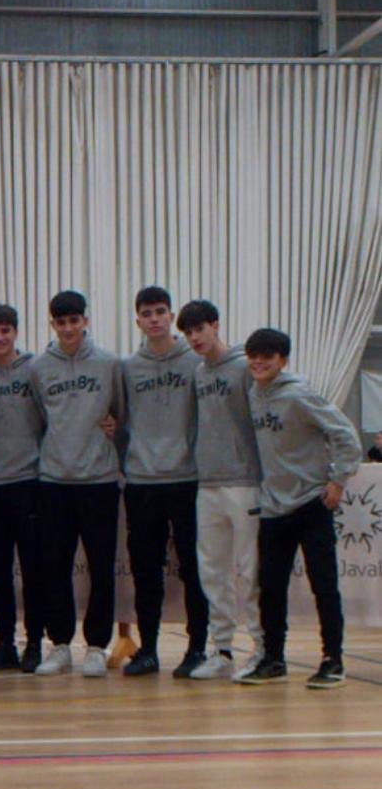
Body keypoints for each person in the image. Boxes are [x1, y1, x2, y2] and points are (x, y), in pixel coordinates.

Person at [239, 328, 360, 689]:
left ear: (283, 360)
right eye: (254, 355)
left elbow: (345, 435)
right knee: (271, 587)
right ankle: (274, 659)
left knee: (323, 584)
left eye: (268, 356)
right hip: (274, 507)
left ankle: (332, 660)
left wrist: (337, 480)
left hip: (310, 502)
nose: (259, 362)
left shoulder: (299, 394)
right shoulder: (253, 393)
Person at [29, 291, 125, 677]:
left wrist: (115, 428)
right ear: (53, 324)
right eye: (60, 322)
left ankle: (97, 646)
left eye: (74, 321)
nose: (68, 328)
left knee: (102, 567)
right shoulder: (39, 368)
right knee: (55, 566)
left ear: (85, 321)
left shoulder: (109, 364)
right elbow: (39, 420)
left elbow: (121, 413)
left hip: (99, 480)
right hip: (54, 480)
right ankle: (61, 645)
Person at [120, 287, 209, 678]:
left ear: (170, 316)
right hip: (142, 482)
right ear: (137, 320)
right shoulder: (128, 368)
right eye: (146, 313)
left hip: (186, 479)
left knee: (194, 569)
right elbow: (118, 421)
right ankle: (149, 650)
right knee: (145, 571)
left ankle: (197, 649)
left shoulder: (195, 362)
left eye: (160, 312)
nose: (153, 319)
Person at [177, 300, 264, 681]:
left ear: (215, 325)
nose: (195, 338)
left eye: (200, 329)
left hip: (245, 483)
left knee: (250, 571)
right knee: (212, 571)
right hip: (207, 483)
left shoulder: (245, 367)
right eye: (189, 333)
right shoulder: (198, 373)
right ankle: (223, 650)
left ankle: (263, 649)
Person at [0, 304, 45, 674]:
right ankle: (5, 642)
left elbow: (51, 418)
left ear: (15, 332)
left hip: (29, 482)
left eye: (5, 330)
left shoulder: (34, 370)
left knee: (33, 570)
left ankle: (35, 643)